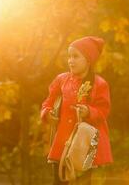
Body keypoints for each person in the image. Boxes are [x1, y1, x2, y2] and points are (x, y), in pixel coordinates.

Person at [40, 36, 113, 185]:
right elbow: (48, 102)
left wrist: (89, 111)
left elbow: (103, 110)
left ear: (88, 60)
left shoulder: (100, 84)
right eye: (69, 56)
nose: (70, 61)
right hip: (62, 143)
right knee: (59, 181)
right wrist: (47, 113)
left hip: (85, 145)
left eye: (76, 56)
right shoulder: (61, 80)